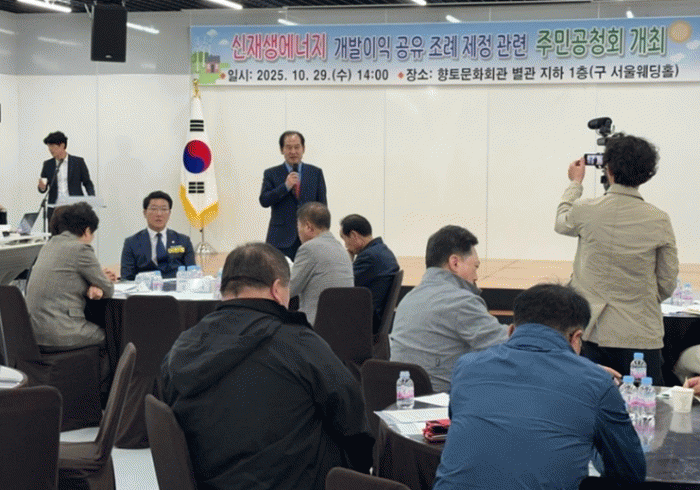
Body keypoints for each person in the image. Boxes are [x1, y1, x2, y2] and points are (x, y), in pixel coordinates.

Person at [161, 242, 373, 490]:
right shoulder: (299, 343)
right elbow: (351, 416)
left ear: (223, 289)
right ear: (276, 290)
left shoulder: (183, 345)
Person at [433, 284, 646, 490]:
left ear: (511, 331)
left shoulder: (467, 367)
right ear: (576, 337)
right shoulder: (596, 382)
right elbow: (630, 473)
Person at [555, 134, 678, 384]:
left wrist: (575, 183)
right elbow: (667, 282)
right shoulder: (659, 219)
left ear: (608, 169)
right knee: (645, 405)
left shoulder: (585, 209)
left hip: (590, 331)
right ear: (647, 174)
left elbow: (561, 221)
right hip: (640, 333)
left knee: (588, 401)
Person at [389, 225, 508, 392]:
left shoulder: (407, 300)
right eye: (475, 267)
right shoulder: (461, 302)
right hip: (445, 402)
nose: (476, 277)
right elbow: (508, 344)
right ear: (455, 263)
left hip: (402, 400)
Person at [26, 202, 114, 351]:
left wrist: (93, 281)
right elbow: (108, 289)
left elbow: (66, 278)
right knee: (113, 335)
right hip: (60, 333)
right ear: (87, 231)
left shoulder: (48, 245)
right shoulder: (80, 248)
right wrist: (95, 282)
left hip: (34, 334)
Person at [259, 131, 327, 260]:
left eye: (297, 147)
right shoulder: (271, 173)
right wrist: (285, 186)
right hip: (280, 238)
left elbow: (322, 206)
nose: (293, 151)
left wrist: (321, 235)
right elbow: (264, 200)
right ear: (281, 150)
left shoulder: (315, 173)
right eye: (289, 147)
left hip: (310, 237)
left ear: (303, 149)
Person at [290, 202, 353, 325]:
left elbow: (289, 290)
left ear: (308, 227)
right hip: (342, 326)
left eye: (298, 228)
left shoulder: (309, 249)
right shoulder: (342, 250)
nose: (298, 234)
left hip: (314, 326)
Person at [339, 214, 399, 335]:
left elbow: (343, 285)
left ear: (354, 235)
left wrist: (347, 258)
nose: (345, 245)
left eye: (345, 239)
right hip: (377, 320)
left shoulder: (369, 257)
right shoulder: (382, 251)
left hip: (365, 324)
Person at [120, 190, 195, 280]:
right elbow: (126, 278)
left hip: (176, 287)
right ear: (145, 213)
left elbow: (192, 274)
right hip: (145, 287)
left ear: (169, 213)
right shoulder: (131, 243)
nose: (159, 214)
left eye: (164, 209)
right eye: (154, 209)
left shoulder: (183, 241)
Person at [37, 131, 95, 221]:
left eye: (53, 146)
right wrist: (42, 187)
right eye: (49, 147)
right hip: (55, 209)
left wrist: (91, 198)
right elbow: (43, 187)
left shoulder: (78, 162)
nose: (50, 150)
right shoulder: (48, 164)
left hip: (74, 207)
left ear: (62, 146)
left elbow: (87, 183)